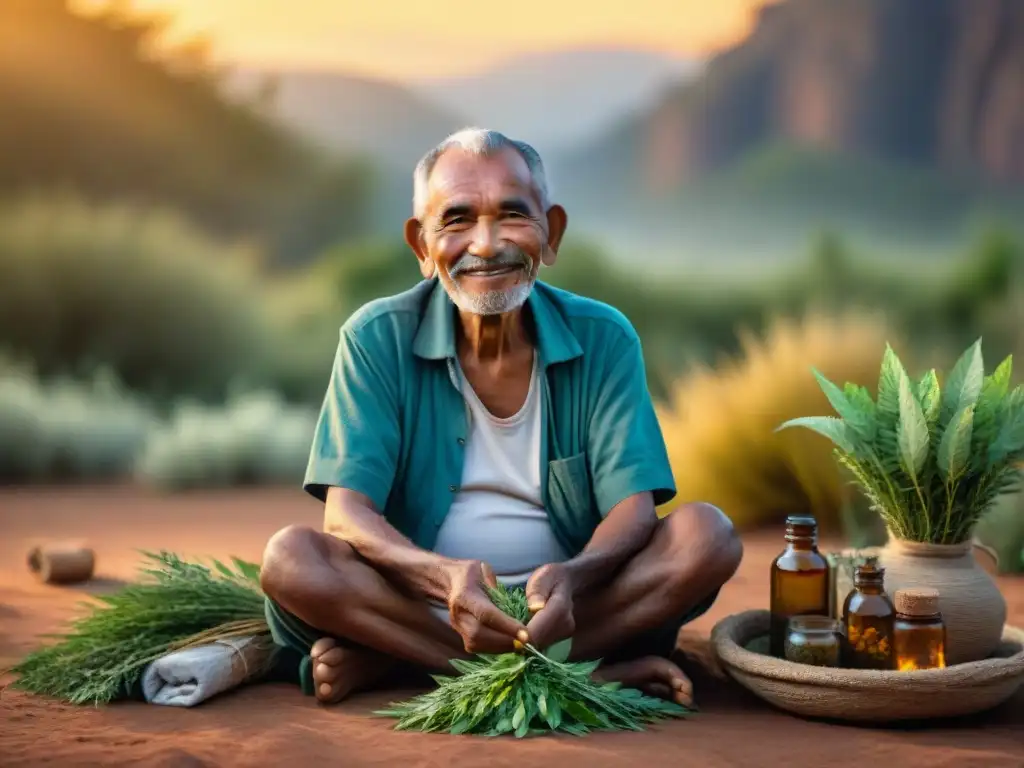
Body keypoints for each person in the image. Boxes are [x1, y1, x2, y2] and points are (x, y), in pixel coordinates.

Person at [260, 128, 743, 707]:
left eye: (512, 214)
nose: (486, 245)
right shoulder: (375, 337)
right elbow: (346, 515)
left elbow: (633, 509)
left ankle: (409, 664)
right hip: (416, 604)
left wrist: (576, 573)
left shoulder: (604, 336)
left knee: (706, 537)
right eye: (457, 220)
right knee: (292, 559)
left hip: (573, 609)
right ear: (421, 245)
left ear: (551, 232)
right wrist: (444, 578)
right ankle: (576, 678)